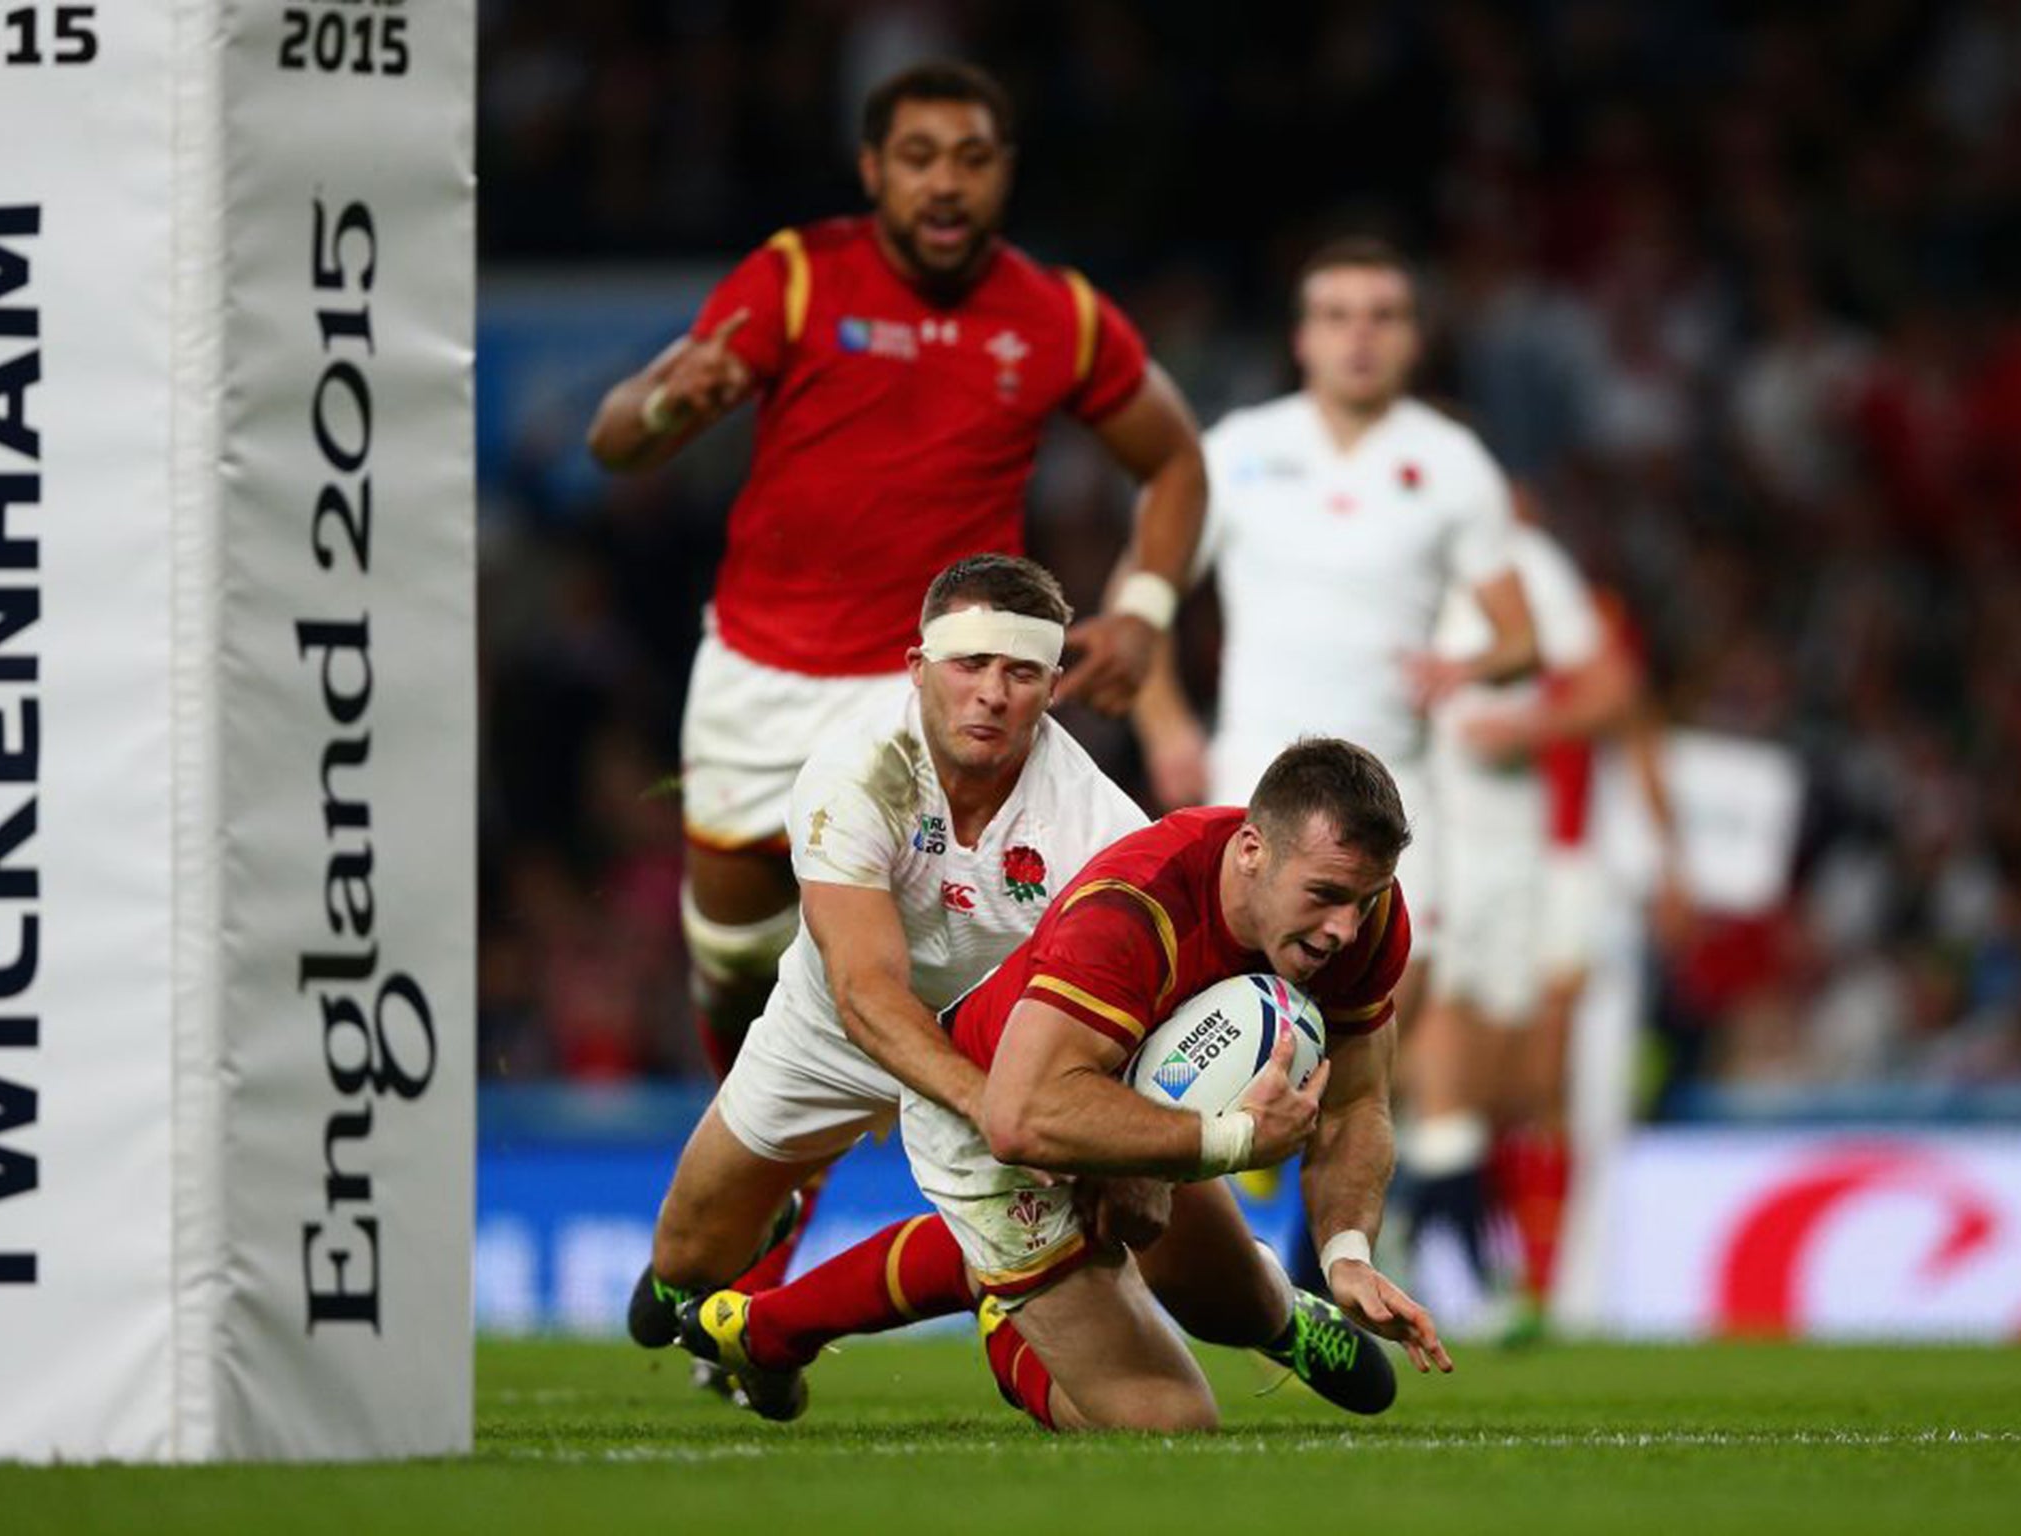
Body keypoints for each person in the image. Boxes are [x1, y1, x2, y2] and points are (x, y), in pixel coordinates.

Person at [586, 62, 1206, 1152]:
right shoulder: (791, 278)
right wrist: (661, 408)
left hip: (938, 677)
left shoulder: (1055, 316)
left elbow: (1173, 462)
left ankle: (1031, 1164)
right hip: (758, 672)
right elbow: (616, 438)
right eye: (918, 158)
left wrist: (1144, 609)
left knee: (947, 952)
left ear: (1004, 171)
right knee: (731, 960)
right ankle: (768, 1141)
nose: (945, 184)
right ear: (873, 169)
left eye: (971, 158)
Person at [681, 739, 1453, 1432]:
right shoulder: (1130, 911)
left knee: (1225, 1304)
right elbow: (1020, 1118)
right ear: (1252, 851)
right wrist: (1230, 1142)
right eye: (1324, 896)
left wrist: (1346, 1253)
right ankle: (967, 1302)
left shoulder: (1365, 917)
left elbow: (1355, 1103)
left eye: (1364, 898)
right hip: (1000, 1118)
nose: (1343, 930)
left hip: (1135, 1092)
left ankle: (1282, 1310)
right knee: (1169, 1424)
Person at [627, 554, 1150, 1408]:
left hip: (1005, 1046)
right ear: (918, 670)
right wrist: (994, 1109)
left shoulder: (1104, 829)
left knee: (1075, 1247)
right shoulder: (851, 772)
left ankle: (789, 1329)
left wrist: (1109, 1141)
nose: (992, 693)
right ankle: (774, 1222)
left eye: (1020, 672)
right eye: (969, 664)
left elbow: (1131, 1004)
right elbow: (866, 995)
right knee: (684, 1262)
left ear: (1053, 688)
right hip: (834, 1029)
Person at [1131, 235, 1536, 1289]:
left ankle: (1316, 1265)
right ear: (1302, 336)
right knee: (1218, 1012)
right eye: (1338, 314)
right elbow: (1146, 589)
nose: (1360, 335)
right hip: (1252, 794)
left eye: (1382, 315)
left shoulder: (1448, 462)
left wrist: (1467, 664)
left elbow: (1518, 634)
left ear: (1411, 337)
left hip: (1394, 804)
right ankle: (1212, 1233)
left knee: (1377, 1018)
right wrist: (1166, 720)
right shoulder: (1236, 450)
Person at [1417, 518, 1689, 1334]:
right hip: (1473, 858)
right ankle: (1468, 1242)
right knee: (1479, 1071)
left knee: (1543, 1084)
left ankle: (1533, 1275)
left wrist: (1668, 855)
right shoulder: (1425, 604)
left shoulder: (1579, 615)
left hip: (1568, 863)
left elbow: (1629, 714)